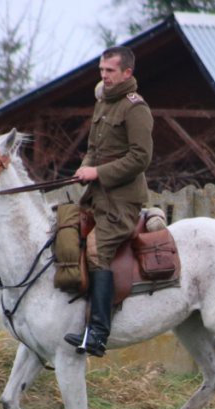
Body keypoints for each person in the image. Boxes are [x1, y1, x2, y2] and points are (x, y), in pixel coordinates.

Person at [64, 46, 154, 357]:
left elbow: (140, 158)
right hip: (96, 196)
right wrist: (84, 168)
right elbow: (93, 146)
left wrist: (98, 172)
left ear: (127, 73)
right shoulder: (103, 101)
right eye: (101, 71)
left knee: (96, 250)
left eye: (110, 71)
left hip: (122, 202)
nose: (104, 76)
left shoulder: (135, 108)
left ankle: (99, 333)